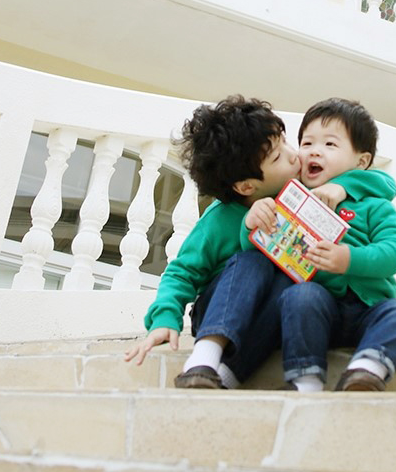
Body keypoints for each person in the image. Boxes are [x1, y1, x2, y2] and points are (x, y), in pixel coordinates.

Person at [124, 94, 302, 388]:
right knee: (253, 260)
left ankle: (226, 376)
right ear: (246, 186)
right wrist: (165, 318)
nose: (294, 154)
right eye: (278, 156)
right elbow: (182, 273)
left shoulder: (301, 198)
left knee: (292, 287)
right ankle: (204, 358)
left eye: (286, 143)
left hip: (268, 315)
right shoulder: (218, 222)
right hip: (218, 311)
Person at [274, 97, 396, 392]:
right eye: (306, 143)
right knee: (300, 297)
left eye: (330, 145)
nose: (315, 150)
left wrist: (349, 258)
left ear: (361, 161)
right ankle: (306, 379)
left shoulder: (372, 206)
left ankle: (366, 369)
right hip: (316, 310)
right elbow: (262, 241)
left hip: (368, 310)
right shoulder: (291, 197)